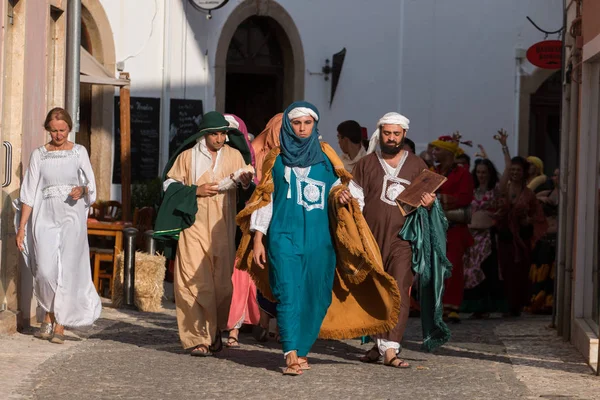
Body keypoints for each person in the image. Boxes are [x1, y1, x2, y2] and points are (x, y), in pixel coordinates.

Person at [236, 101, 401, 375]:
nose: (301, 128)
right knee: (287, 293)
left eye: (307, 123)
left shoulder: (326, 156)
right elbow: (265, 199)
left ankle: (301, 350)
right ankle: (290, 352)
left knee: (317, 296)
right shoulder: (275, 158)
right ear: (289, 125)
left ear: (315, 125)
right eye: (296, 123)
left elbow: (338, 188)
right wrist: (257, 238)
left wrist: (342, 196)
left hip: (319, 240)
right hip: (283, 236)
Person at [154, 111, 254, 356]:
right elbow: (169, 184)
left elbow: (247, 189)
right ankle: (197, 339)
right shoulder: (188, 156)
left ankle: (215, 331)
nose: (219, 138)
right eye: (214, 134)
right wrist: (195, 190)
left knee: (221, 285)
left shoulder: (234, 156)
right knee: (192, 281)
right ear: (204, 134)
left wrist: (243, 180)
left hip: (223, 225)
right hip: (193, 225)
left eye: (223, 134)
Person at [352, 113, 441, 368]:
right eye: (387, 133)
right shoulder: (365, 164)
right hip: (370, 238)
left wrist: (430, 203)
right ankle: (376, 343)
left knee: (399, 290)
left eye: (396, 134)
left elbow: (429, 200)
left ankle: (391, 349)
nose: (391, 138)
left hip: (404, 239)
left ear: (404, 135)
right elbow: (355, 201)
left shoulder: (417, 166)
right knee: (374, 291)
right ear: (380, 134)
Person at [16, 107, 101, 344]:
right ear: (47, 129)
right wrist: (22, 227)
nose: (58, 135)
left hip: (72, 218)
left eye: (62, 130)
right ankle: (49, 314)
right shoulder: (39, 155)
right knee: (44, 270)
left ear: (69, 129)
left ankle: (59, 323)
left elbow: (92, 187)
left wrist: (82, 189)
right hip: (44, 218)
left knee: (67, 271)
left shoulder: (79, 152)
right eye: (54, 130)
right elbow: (29, 193)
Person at [494, 130, 547, 316]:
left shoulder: (529, 194)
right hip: (505, 236)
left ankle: (517, 305)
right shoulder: (503, 188)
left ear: (524, 173)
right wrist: (504, 147)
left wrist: (527, 220)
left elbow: (538, 216)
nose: (515, 172)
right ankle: (507, 305)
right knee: (505, 271)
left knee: (519, 272)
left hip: (521, 239)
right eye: (513, 170)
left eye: (518, 170)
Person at [223, 114, 260, 348]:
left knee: (239, 277)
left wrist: (245, 183)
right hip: (210, 224)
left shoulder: (246, 158)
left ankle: (235, 327)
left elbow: (254, 194)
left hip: (239, 225)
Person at [430, 134, 474, 323]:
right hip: (437, 226)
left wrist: (439, 200)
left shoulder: (463, 173)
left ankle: (452, 306)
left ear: (448, 152)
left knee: (454, 267)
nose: (434, 152)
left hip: (455, 227)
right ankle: (438, 306)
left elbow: (465, 198)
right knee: (437, 267)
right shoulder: (433, 171)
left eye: (437, 149)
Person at [248, 113, 283, 342]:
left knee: (280, 269)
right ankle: (263, 320)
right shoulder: (253, 153)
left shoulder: (284, 154)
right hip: (257, 217)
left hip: (280, 216)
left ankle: (278, 325)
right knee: (264, 270)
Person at [461, 158, 507, 318]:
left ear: (490, 174)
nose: (481, 175)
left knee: (486, 268)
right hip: (472, 236)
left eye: (484, 172)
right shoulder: (471, 190)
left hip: (487, 236)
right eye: (479, 172)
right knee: (470, 268)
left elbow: (501, 211)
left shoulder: (495, 191)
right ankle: (472, 304)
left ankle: (486, 306)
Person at [528, 168, 559, 314]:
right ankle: (538, 302)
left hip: (558, 237)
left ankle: (550, 303)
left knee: (553, 273)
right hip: (545, 237)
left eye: (559, 175)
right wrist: (539, 199)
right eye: (555, 175)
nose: (555, 177)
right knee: (541, 271)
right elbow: (528, 197)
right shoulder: (546, 194)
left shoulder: (570, 196)